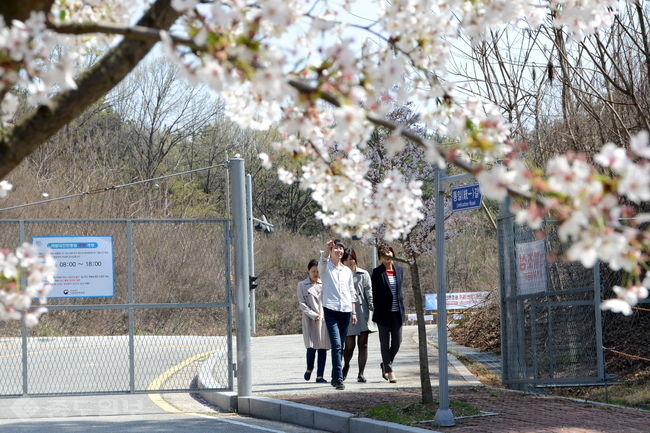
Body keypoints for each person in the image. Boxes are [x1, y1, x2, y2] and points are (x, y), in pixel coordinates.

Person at [319, 238, 357, 390]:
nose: (339, 251)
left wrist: (353, 312)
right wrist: (327, 248)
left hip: (346, 310)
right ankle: (339, 379)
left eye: (341, 248)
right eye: (336, 248)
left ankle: (335, 376)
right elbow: (322, 261)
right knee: (336, 344)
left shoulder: (347, 271)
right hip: (331, 310)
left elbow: (351, 292)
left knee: (341, 345)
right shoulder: (325, 268)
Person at [371, 246, 405, 383]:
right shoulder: (377, 272)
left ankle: (385, 363)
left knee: (397, 342)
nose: (387, 255)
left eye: (389, 252)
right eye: (383, 253)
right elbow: (374, 293)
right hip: (383, 314)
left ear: (393, 254)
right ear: (380, 257)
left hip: (397, 313)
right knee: (384, 344)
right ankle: (390, 371)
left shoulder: (400, 270)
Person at [342, 247, 376, 383]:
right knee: (349, 344)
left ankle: (361, 373)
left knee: (364, 343)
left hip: (363, 311)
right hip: (348, 311)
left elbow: (369, 291)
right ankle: (346, 365)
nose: (350, 262)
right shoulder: (341, 274)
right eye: (347, 260)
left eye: (352, 259)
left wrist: (372, 305)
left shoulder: (363, 274)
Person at [297, 259, 330, 383]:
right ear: (308, 271)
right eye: (313, 271)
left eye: (317, 271)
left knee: (323, 348)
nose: (315, 274)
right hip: (310, 320)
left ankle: (320, 376)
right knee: (311, 347)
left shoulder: (324, 284)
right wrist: (312, 315)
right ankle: (309, 368)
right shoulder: (302, 285)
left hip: (323, 320)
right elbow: (302, 303)